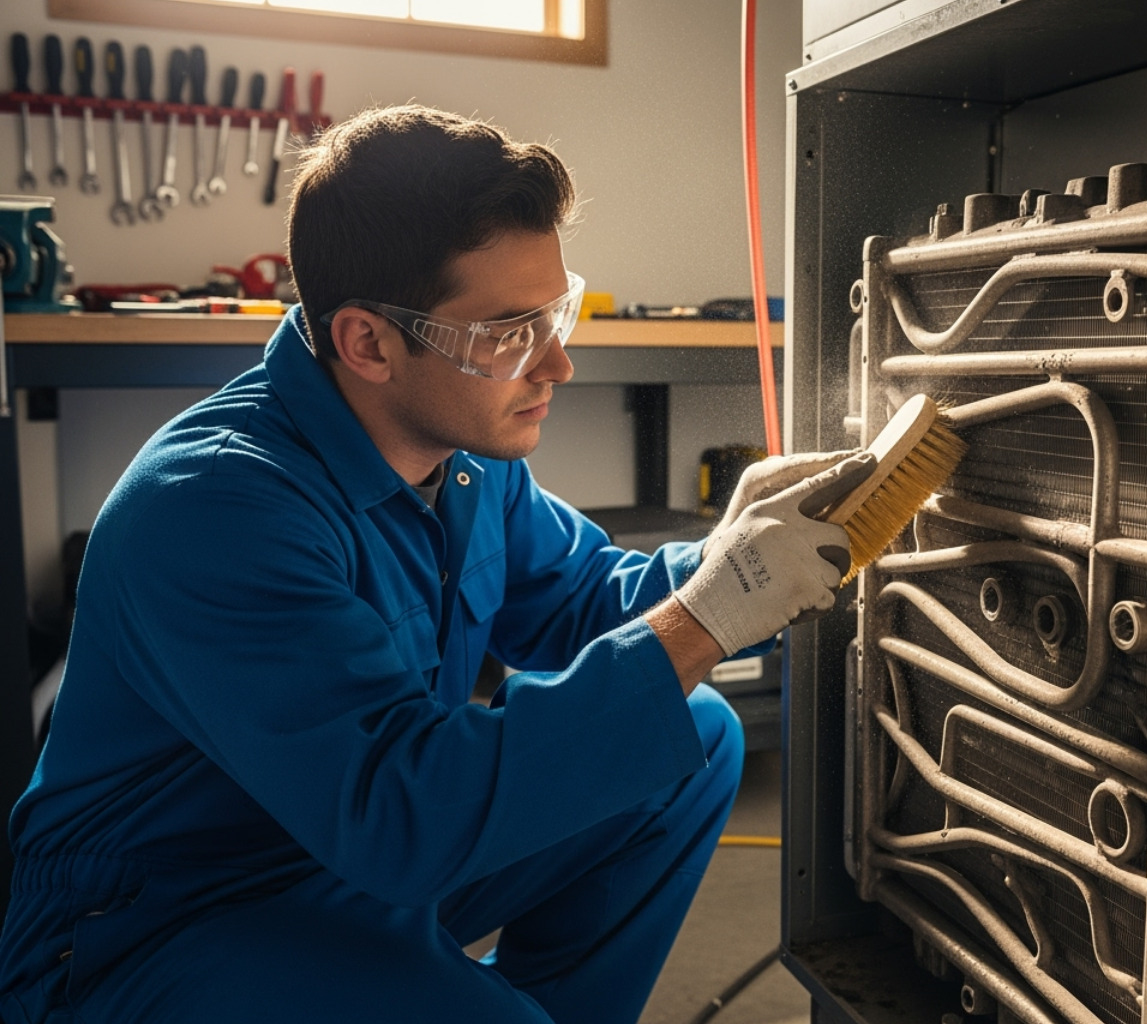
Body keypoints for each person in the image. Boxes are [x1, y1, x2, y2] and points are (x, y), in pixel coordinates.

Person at [0, 105, 871, 1024]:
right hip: (158, 918)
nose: (559, 364)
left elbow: (583, 599)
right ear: (368, 342)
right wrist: (710, 618)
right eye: (507, 331)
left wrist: (733, 553)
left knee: (689, 739)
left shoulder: (457, 459)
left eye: (555, 311)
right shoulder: (215, 510)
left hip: (350, 852)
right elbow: (402, 815)